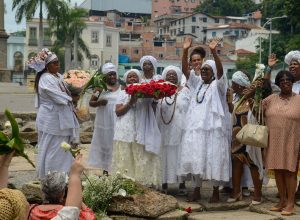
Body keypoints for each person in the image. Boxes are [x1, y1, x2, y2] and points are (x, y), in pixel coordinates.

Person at [178, 38, 231, 202]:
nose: (204, 71)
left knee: (213, 158)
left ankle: (215, 191)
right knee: (196, 158)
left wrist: (214, 52)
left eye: (208, 69)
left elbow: (221, 71)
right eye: (203, 69)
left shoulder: (218, 85)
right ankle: (196, 190)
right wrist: (185, 50)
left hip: (213, 130)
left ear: (214, 72)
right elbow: (186, 71)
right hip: (195, 129)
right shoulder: (196, 83)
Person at [31, 48, 80, 178]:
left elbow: (66, 92)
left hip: (62, 118)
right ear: (46, 66)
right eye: (55, 63)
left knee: (63, 149)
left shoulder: (58, 76)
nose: (58, 65)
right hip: (51, 119)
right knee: (52, 149)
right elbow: (57, 96)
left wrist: (77, 91)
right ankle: (50, 178)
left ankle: (63, 177)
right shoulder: (45, 78)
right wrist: (72, 98)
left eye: (58, 62)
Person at [0, 152, 85, 220]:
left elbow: (3, 204)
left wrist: (4, 166)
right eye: (25, 202)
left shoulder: (29, 211)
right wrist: (75, 175)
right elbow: (70, 214)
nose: (28, 204)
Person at [112, 69, 161, 187]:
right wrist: (130, 102)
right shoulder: (122, 93)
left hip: (141, 130)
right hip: (125, 131)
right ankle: (125, 185)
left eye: (135, 77)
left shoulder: (146, 94)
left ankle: (142, 184)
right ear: (126, 80)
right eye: (130, 77)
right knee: (125, 157)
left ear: (139, 79)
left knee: (141, 156)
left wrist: (154, 98)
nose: (132, 78)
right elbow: (118, 112)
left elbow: (152, 110)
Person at [262, 70, 300, 216]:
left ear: (292, 82)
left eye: (288, 80)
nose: (285, 82)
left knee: (290, 172)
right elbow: (259, 107)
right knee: (278, 170)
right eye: (282, 80)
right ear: (278, 83)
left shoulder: (299, 99)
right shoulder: (270, 99)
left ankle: (290, 203)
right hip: (274, 141)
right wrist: (267, 70)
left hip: (293, 141)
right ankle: (282, 200)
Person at [226, 71, 263, 204]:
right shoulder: (236, 98)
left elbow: (258, 114)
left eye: (234, 83)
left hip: (249, 138)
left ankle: (258, 194)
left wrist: (251, 97)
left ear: (239, 85)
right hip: (237, 138)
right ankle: (236, 192)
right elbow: (232, 112)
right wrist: (229, 101)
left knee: (253, 164)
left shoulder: (252, 98)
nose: (232, 85)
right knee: (236, 163)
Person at [156, 65, 190, 194]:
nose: (171, 76)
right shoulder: (159, 91)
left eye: (174, 74)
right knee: (164, 155)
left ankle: (182, 184)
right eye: (168, 74)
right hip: (163, 128)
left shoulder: (185, 91)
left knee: (179, 154)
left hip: (180, 128)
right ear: (164, 76)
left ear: (178, 77)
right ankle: (164, 183)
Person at [88, 63, 121, 174]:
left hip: (117, 120)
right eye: (109, 75)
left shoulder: (121, 87)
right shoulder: (99, 88)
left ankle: (117, 170)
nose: (112, 77)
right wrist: (100, 102)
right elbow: (91, 103)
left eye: (113, 74)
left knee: (116, 144)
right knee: (105, 144)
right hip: (104, 121)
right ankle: (105, 171)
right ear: (104, 76)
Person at [28, 170, 96, 220]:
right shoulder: (68, 214)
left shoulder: (32, 210)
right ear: (63, 193)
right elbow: (91, 217)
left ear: (43, 191)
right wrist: (77, 199)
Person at [284, 50, 300, 203]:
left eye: (295, 64)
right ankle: (289, 192)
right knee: (291, 162)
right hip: (287, 129)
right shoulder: (286, 84)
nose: (292, 67)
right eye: (290, 64)